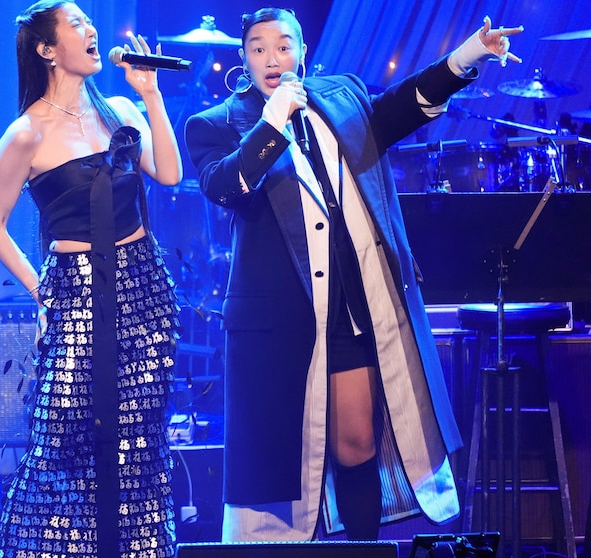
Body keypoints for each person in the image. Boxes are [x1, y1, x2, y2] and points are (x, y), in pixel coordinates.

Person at [184, 9, 523, 542]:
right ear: (243, 58)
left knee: (356, 445)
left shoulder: (342, 95)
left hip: (353, 304)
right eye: (258, 48)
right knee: (287, 475)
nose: (272, 58)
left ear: (302, 52)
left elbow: (402, 106)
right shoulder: (216, 123)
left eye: (284, 45)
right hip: (280, 323)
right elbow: (226, 187)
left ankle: (364, 550)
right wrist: (272, 121)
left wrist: (469, 54)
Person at [0, 1, 183, 556]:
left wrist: (151, 94)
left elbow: (169, 173)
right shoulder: (24, 133)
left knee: (138, 438)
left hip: (142, 286)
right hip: (74, 289)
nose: (91, 29)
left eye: (89, 20)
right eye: (76, 23)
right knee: (63, 432)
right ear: (47, 49)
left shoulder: (120, 109)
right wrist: (41, 292)